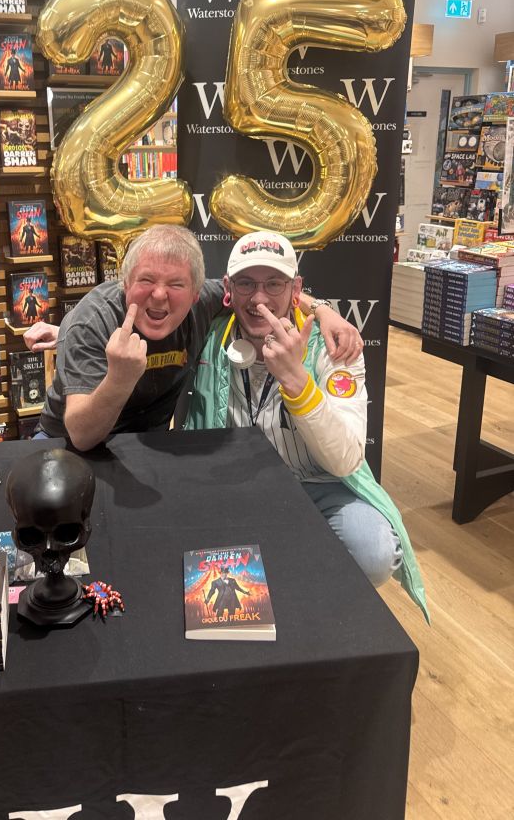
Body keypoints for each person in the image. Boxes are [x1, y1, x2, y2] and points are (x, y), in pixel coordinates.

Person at [183, 229, 428, 619]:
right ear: (228, 288)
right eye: (246, 283)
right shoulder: (211, 336)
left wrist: (297, 381)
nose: (259, 297)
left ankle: (297, 604)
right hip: (234, 483)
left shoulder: (335, 347)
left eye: (274, 283)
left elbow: (346, 460)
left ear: (295, 289)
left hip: (318, 485)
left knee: (374, 551)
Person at [30, 224, 362, 451]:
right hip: (67, 445)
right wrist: (118, 379)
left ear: (194, 294)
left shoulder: (206, 301)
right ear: (125, 283)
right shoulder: (91, 322)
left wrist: (322, 310)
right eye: (146, 280)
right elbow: (82, 436)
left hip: (149, 446)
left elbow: (260, 293)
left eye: (175, 285)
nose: (160, 296)